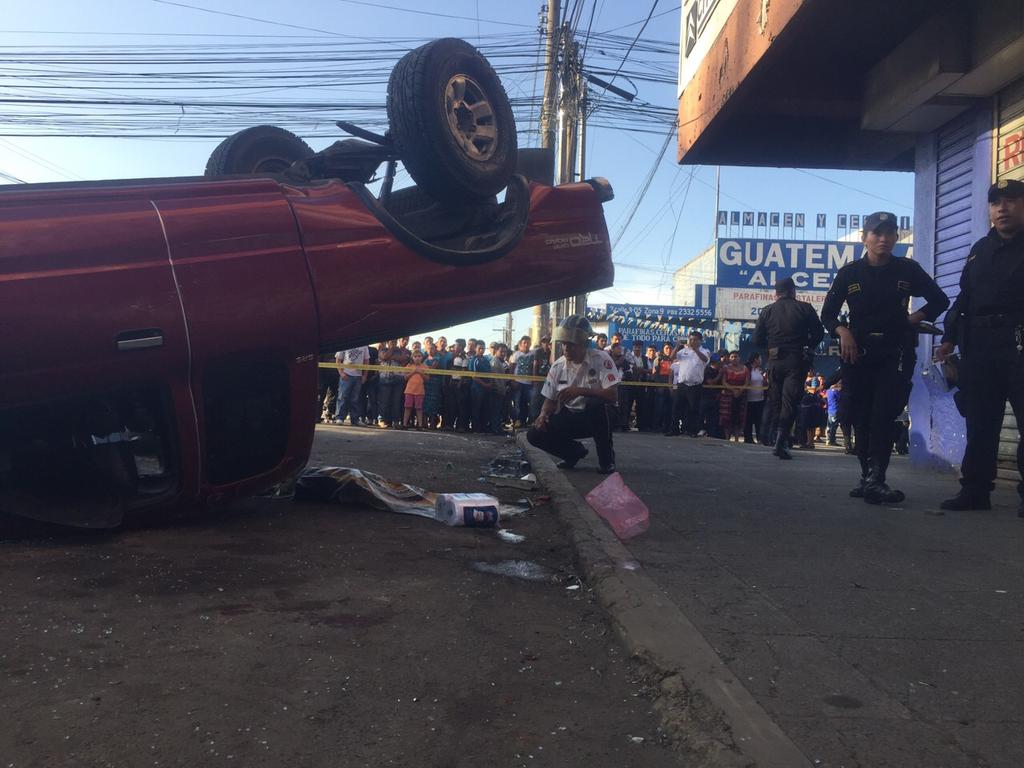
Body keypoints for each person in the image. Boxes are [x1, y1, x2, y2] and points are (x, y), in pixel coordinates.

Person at [822, 211, 949, 504]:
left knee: (883, 414)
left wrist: (912, 320)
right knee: (860, 415)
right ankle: (867, 476)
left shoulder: (907, 270)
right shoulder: (850, 273)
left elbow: (940, 300)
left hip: (896, 352)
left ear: (896, 237)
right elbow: (827, 314)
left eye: (890, 233)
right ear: (864, 238)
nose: (883, 239)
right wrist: (843, 332)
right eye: (877, 233)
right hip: (858, 353)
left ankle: (877, 479)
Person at [938, 179, 1024, 514]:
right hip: (980, 347)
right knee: (980, 421)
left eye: (1012, 200)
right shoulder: (980, 250)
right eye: (995, 203)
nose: (1002, 208)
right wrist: (948, 337)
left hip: (1018, 343)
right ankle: (975, 490)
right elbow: (965, 298)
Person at [528, 315, 620, 473]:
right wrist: (543, 415)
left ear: (584, 343)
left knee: (595, 405)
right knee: (534, 434)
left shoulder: (601, 359)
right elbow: (549, 400)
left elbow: (613, 396)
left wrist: (581, 391)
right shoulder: (557, 366)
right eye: (564, 344)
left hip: (601, 417)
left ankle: (607, 461)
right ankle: (573, 453)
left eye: (571, 344)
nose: (566, 348)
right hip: (572, 415)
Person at [753, 277, 825, 460]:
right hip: (796, 360)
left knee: (775, 401)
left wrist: (770, 347)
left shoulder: (767, 311)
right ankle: (780, 440)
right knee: (790, 402)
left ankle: (774, 438)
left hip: (774, 361)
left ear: (775, 294)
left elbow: (756, 339)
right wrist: (807, 345)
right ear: (793, 291)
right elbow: (818, 333)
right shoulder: (805, 308)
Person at [334, 344, 369, 426]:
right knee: (342, 396)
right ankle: (339, 417)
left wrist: (364, 375)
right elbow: (338, 359)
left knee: (355, 398)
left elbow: (366, 361)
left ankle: (355, 419)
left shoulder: (364, 346)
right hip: (346, 374)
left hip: (358, 376)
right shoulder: (345, 342)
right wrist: (341, 373)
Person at [509, 335, 534, 428]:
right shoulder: (516, 355)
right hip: (518, 382)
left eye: (528, 343)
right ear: (520, 344)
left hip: (529, 383)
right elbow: (511, 368)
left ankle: (526, 421)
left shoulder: (533, 354)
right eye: (524, 343)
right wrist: (512, 381)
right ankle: (517, 421)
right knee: (517, 403)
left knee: (530, 403)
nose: (526, 344)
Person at [744, 353, 766, 444]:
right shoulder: (747, 369)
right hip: (749, 399)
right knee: (748, 420)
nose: (761, 360)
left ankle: (759, 438)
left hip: (760, 399)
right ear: (755, 359)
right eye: (760, 358)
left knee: (759, 420)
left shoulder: (759, 370)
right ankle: (748, 438)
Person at [402, 350, 427, 429]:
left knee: (419, 408)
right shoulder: (409, 366)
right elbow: (405, 377)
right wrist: (413, 372)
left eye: (419, 356)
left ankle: (419, 425)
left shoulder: (425, 367)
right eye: (415, 356)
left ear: (422, 358)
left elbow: (427, 378)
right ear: (412, 358)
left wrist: (420, 372)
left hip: (420, 391)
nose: (417, 358)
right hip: (409, 390)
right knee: (407, 407)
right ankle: (404, 424)